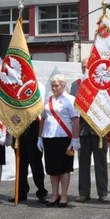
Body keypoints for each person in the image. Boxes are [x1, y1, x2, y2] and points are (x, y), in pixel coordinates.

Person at [38, 74, 80, 207]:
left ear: (63, 86)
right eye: (52, 86)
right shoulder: (48, 100)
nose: (54, 88)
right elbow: (43, 119)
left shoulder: (70, 99)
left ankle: (64, 195)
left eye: (57, 86)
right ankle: (54, 194)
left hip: (64, 138)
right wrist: (39, 137)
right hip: (49, 137)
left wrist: (75, 138)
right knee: (52, 169)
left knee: (64, 168)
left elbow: (75, 120)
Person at [71, 57, 108, 203]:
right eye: (83, 67)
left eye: (88, 67)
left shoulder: (101, 85)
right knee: (83, 163)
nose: (85, 69)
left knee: (101, 163)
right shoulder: (76, 85)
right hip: (83, 130)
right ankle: (83, 192)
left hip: (99, 130)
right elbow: (73, 106)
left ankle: (103, 192)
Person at [13, 117, 48, 203]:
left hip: (34, 128)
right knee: (20, 165)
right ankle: (21, 192)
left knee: (36, 164)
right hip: (18, 127)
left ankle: (41, 192)